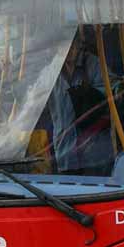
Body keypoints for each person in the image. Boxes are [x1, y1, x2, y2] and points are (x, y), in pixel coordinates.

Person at [48, 32, 112, 174]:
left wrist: (89, 93)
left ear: (79, 45)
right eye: (64, 46)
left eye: (72, 45)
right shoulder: (51, 72)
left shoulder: (93, 65)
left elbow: (114, 94)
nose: (69, 51)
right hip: (65, 153)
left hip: (96, 155)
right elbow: (33, 102)